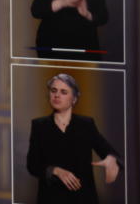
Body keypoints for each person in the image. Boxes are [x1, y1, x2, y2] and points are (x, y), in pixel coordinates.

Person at [26, 74, 121, 204]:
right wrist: (55, 170)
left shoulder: (86, 124)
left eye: (63, 92)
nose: (57, 95)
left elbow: (110, 152)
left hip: (83, 198)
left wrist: (111, 159)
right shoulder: (39, 126)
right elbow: (32, 165)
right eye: (54, 91)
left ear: (74, 99)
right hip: (51, 198)